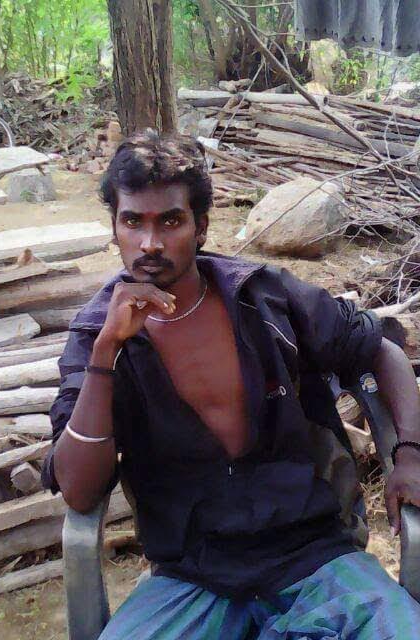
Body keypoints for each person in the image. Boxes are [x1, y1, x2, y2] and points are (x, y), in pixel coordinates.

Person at [42, 130, 420, 639]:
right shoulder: (96, 334)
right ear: (115, 227)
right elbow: (79, 488)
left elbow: (381, 350)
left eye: (170, 221)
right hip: (193, 575)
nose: (150, 243)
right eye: (133, 222)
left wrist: (410, 454)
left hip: (313, 556)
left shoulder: (263, 299)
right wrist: (108, 351)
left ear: (200, 226)